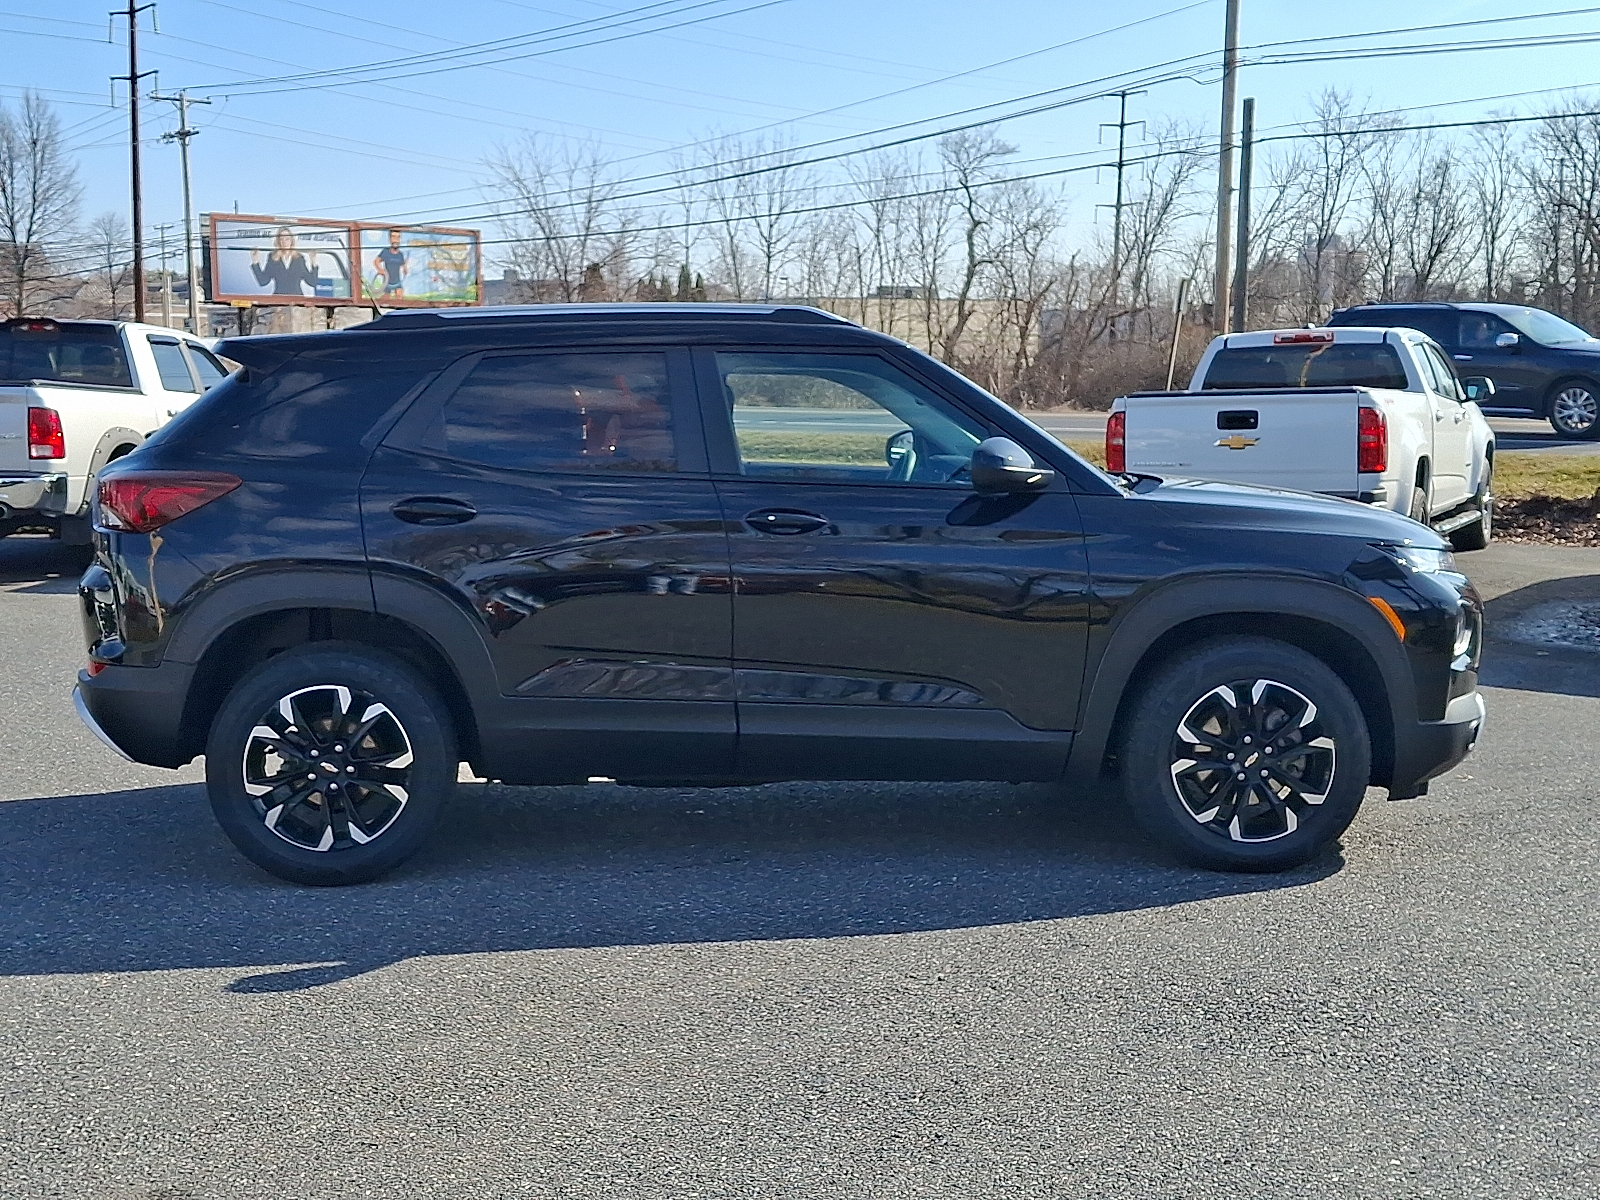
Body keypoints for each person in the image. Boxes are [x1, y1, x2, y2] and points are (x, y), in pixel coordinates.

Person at [249, 226, 322, 296]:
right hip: (279, 301)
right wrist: (255, 262)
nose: (284, 242)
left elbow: (312, 282)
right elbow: (263, 281)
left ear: (291, 241)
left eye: (287, 239)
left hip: (296, 301)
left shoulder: (299, 259)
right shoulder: (273, 258)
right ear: (278, 242)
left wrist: (313, 262)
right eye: (281, 239)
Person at [374, 229, 408, 298]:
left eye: (398, 237)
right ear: (389, 239)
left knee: (400, 297)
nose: (396, 240)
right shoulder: (386, 252)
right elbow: (376, 261)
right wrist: (380, 270)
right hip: (387, 282)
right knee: (386, 298)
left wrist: (405, 269)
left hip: (397, 282)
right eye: (393, 237)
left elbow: (403, 264)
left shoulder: (400, 254)